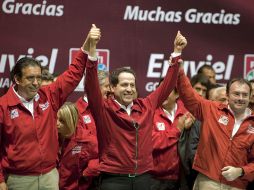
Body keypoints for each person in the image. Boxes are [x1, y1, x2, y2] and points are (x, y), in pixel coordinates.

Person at [0, 25, 101, 190]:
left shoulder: (49, 95)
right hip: (19, 180)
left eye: (38, 77)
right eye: (30, 78)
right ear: (17, 79)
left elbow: (73, 73)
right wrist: (0, 181)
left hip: (49, 177)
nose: (36, 83)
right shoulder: (3, 106)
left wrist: (88, 44)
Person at [84, 31, 187, 190]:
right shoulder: (103, 108)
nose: (129, 89)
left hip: (144, 179)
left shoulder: (146, 105)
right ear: (113, 87)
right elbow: (91, 85)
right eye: (124, 85)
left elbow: (167, 87)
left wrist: (177, 53)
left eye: (132, 85)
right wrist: (92, 50)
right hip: (114, 180)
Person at [177, 61, 254, 189]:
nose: (240, 98)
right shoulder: (212, 109)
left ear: (250, 97)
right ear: (227, 95)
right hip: (208, 181)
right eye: (236, 94)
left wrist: (241, 171)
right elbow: (188, 95)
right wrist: (179, 72)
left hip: (237, 185)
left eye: (244, 95)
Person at [150, 79, 194, 190]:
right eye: (160, 90)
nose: (162, 94)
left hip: (181, 179)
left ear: (177, 94)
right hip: (154, 179)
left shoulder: (188, 112)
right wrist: (178, 129)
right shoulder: (149, 112)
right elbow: (151, 142)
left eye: (167, 91)